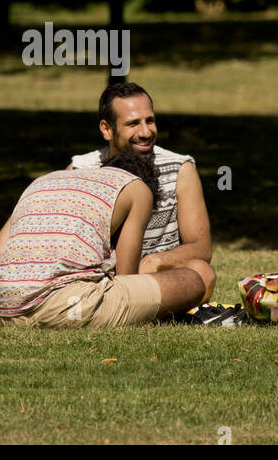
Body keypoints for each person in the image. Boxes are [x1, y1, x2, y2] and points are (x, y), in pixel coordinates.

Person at [0, 152, 210, 327]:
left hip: (3, 311)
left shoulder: (42, 181)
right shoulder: (137, 187)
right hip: (68, 309)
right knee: (193, 279)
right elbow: (126, 279)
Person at [68, 82, 216, 299]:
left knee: (202, 272)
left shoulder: (179, 169)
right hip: (97, 282)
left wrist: (154, 261)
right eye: (133, 123)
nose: (145, 132)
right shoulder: (80, 171)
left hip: (151, 279)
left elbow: (201, 248)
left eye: (150, 121)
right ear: (107, 129)